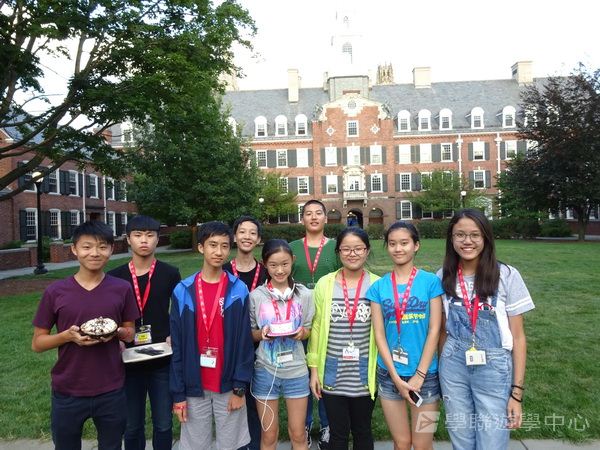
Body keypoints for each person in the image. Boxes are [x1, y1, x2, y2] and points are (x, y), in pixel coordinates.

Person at [32, 220, 139, 450]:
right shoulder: (55, 291)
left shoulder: (121, 288)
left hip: (111, 388)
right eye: (87, 247)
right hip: (68, 388)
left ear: (111, 249)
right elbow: (38, 343)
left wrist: (116, 332)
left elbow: (130, 334)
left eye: (102, 247)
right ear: (74, 249)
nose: (95, 253)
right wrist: (67, 337)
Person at [438, 209, 535, 450]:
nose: (467, 241)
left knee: (492, 439)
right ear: (451, 239)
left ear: (485, 238)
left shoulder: (507, 275)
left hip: (494, 367)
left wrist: (517, 393)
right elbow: (441, 331)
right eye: (460, 235)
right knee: (460, 435)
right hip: (453, 365)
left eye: (475, 235)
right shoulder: (442, 277)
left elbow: (518, 337)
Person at [170, 221, 254, 450]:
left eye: (224, 246)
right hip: (193, 385)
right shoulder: (183, 290)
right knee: (196, 445)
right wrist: (178, 394)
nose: (219, 252)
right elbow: (177, 346)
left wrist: (239, 387)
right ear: (201, 247)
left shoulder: (238, 289)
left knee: (231, 445)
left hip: (228, 385)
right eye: (213, 245)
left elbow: (244, 343)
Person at [366, 221, 444, 450]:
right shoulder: (378, 287)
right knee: (401, 443)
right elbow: (379, 334)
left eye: (404, 243)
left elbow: (435, 329)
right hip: (389, 375)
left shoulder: (431, 282)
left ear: (416, 245)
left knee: (422, 444)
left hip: (426, 375)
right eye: (392, 244)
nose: (398, 249)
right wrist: (395, 376)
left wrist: (420, 374)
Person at [108, 215, 181, 450]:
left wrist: (174, 334)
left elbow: (178, 311)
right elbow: (110, 314)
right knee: (131, 425)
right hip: (128, 360)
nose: (144, 240)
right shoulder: (115, 276)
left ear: (158, 239)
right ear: (128, 239)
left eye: (150, 235)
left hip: (161, 357)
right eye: (138, 235)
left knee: (163, 423)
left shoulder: (170, 273)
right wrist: (116, 339)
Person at [308, 227, 380, 450]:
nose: (352, 254)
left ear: (367, 251)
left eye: (358, 248)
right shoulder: (325, 283)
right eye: (346, 249)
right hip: (332, 372)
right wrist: (314, 370)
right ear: (338, 252)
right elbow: (316, 328)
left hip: (364, 374)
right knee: (337, 434)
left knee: (362, 430)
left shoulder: (377, 284)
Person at [250, 239, 315, 450]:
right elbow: (250, 333)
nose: (279, 270)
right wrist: (261, 334)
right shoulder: (256, 296)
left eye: (285, 264)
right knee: (269, 435)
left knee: (298, 434)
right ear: (265, 265)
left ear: (293, 261)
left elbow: (309, 328)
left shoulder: (305, 295)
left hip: (296, 370)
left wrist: (303, 333)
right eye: (273, 265)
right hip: (265, 370)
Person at [289, 199, 341, 449]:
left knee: (326, 373)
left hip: (329, 320)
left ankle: (328, 424)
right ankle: (305, 425)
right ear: (303, 219)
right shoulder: (291, 248)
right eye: (308, 213)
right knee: (302, 374)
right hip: (298, 321)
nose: (313, 217)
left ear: (325, 218)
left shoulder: (335, 247)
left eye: (318, 213)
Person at [223, 215, 268, 450]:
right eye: (242, 232)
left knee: (257, 403)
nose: (247, 237)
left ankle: (256, 444)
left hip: (261, 347)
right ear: (234, 236)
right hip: (229, 347)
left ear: (258, 239)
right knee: (232, 403)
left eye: (252, 233)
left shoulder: (267, 273)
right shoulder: (222, 271)